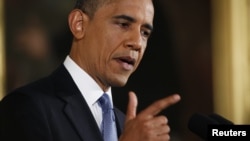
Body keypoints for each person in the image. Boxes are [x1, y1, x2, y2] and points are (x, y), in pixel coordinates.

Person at [0, 0, 181, 141]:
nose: (137, 43)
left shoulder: (124, 123)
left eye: (145, 33)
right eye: (124, 24)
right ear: (79, 24)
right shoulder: (25, 108)